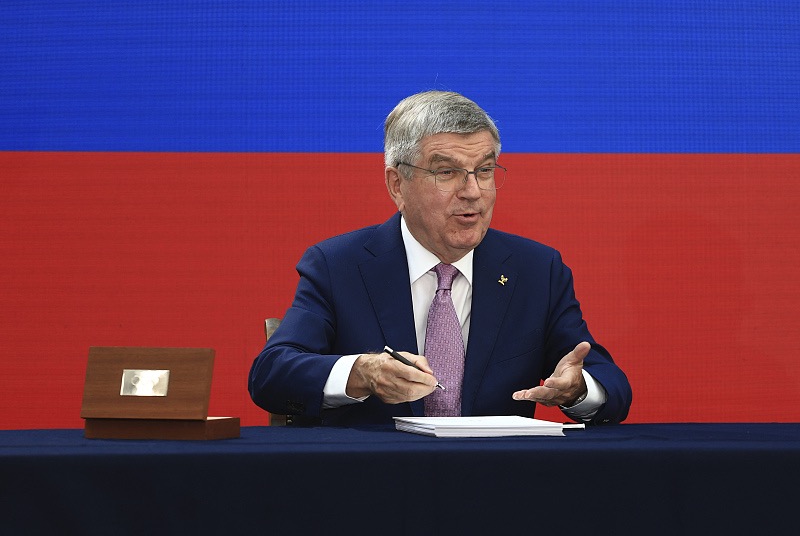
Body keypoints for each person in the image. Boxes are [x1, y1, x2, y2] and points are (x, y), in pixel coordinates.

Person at [249, 90, 631, 426]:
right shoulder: (338, 265)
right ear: (397, 184)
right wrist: (362, 372)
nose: (473, 191)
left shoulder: (536, 270)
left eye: (484, 170)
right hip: (374, 481)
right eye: (447, 172)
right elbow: (271, 374)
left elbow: (609, 385)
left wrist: (579, 389)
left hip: (497, 482)